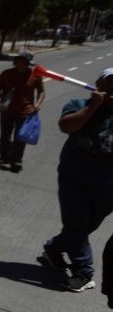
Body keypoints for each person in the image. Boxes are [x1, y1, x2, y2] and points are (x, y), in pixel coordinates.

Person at [37, 68, 113, 293]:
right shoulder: (79, 104)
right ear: (98, 84)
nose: (111, 88)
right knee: (75, 223)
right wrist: (94, 106)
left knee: (88, 225)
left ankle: (54, 249)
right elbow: (66, 126)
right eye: (108, 82)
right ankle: (84, 271)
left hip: (108, 182)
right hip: (75, 177)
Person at [0, 50, 44, 172]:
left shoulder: (35, 76)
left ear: (28, 63)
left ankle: (16, 160)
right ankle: (3, 157)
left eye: (24, 61)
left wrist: (38, 104)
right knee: (5, 136)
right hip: (7, 110)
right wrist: (2, 96)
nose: (20, 64)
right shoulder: (6, 73)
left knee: (20, 137)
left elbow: (41, 91)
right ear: (15, 62)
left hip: (26, 111)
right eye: (19, 61)